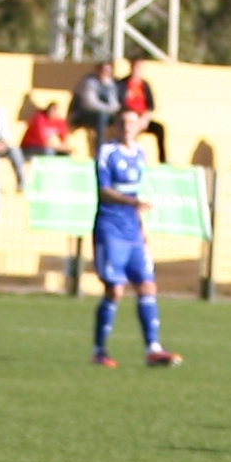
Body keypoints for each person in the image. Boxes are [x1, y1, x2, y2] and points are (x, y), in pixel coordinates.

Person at [91, 105, 181, 368]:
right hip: (111, 229)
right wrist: (132, 203)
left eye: (131, 122)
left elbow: (137, 194)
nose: (127, 127)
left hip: (133, 230)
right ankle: (99, 350)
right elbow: (104, 191)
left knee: (147, 286)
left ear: (139, 125)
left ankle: (153, 349)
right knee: (115, 290)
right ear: (114, 126)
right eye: (122, 123)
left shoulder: (141, 153)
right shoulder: (107, 152)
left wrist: (142, 228)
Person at [118, 58, 167, 164]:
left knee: (159, 128)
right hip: (127, 117)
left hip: (142, 118)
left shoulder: (145, 85)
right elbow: (119, 102)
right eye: (135, 66)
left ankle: (163, 159)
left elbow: (151, 105)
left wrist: (144, 118)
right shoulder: (122, 83)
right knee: (128, 127)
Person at [68, 61, 121, 155]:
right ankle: (99, 151)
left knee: (121, 119)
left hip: (104, 114)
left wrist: (108, 87)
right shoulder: (88, 82)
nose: (105, 73)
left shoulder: (111, 84)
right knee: (102, 117)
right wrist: (108, 110)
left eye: (108, 71)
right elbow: (90, 104)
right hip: (82, 114)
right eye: (103, 70)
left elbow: (115, 104)